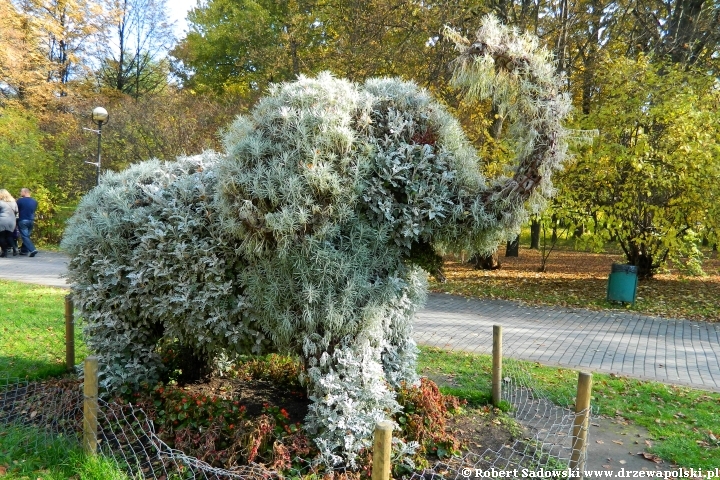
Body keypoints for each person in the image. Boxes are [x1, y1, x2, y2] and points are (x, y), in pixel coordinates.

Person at [17, 187, 38, 257]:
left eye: (21, 192)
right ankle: (24, 250)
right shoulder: (34, 201)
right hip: (31, 220)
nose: (20, 193)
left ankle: (32, 249)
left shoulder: (20, 201)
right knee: (27, 236)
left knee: (25, 236)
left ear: (25, 192)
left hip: (23, 220)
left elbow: (16, 210)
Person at [0, 189, 18, 258]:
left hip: (2, 220)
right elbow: (16, 211)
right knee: (9, 236)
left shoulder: (0, 202)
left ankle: (4, 252)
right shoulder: (14, 202)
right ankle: (15, 248)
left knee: (1, 237)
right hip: (12, 221)